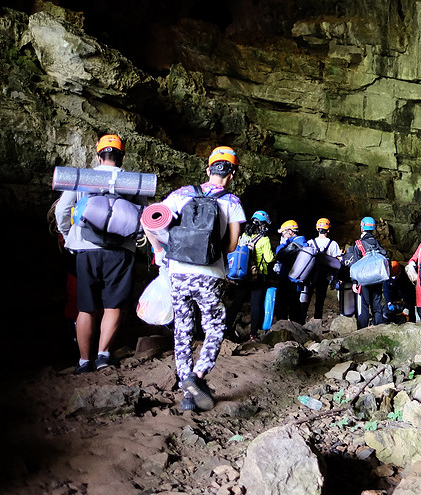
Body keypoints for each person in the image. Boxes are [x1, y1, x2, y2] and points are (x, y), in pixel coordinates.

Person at [146, 146, 245, 412]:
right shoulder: (232, 202)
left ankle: (187, 394)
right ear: (232, 174)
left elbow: (151, 222)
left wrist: (159, 251)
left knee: (183, 329)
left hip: (178, 271)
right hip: (210, 274)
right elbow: (234, 245)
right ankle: (196, 377)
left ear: (208, 170)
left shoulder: (182, 194)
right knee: (214, 326)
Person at [55, 134, 147, 373]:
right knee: (113, 305)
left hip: (86, 249)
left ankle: (84, 361)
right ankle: (104, 355)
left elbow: (63, 210)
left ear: (98, 155)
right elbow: (145, 215)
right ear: (122, 157)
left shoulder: (84, 178)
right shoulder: (132, 181)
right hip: (120, 252)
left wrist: (69, 236)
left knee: (85, 307)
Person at [224, 210, 274, 341]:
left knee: (237, 303)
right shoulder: (264, 239)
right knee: (256, 304)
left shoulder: (244, 236)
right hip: (258, 276)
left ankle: (226, 329)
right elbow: (269, 259)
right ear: (262, 225)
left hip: (243, 274)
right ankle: (253, 334)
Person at [351, 216, 391, 328]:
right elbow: (385, 257)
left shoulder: (359, 244)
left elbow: (355, 264)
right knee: (376, 306)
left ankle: (362, 331)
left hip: (363, 281)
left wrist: (354, 282)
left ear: (362, 227)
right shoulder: (377, 243)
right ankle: (378, 328)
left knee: (363, 305)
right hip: (377, 279)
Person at [304, 217, 342, 321]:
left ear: (317, 229)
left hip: (310, 275)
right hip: (324, 276)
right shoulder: (333, 244)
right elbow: (337, 262)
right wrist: (335, 278)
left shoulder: (310, 242)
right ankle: (317, 321)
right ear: (328, 230)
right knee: (320, 301)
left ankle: (301, 321)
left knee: (306, 298)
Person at [273, 219, 307, 323]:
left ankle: (283, 328)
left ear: (290, 231)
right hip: (296, 280)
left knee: (283, 305)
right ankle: (297, 328)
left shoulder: (294, 244)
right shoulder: (302, 242)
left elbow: (280, 256)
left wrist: (282, 245)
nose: (282, 235)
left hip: (288, 279)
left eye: (283, 232)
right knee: (295, 305)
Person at [383, 260, 416, 324]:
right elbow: (386, 289)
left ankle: (411, 322)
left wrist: (407, 305)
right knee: (390, 310)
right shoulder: (386, 274)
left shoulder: (406, 274)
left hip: (405, 292)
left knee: (410, 310)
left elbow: (409, 291)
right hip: (394, 292)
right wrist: (389, 302)